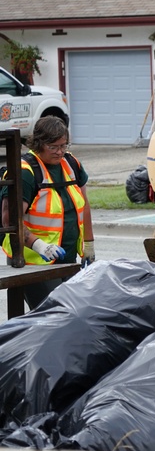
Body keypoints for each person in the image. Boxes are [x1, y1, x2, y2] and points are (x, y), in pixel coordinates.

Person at [1, 115, 96, 309]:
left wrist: (89, 243)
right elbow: (9, 219)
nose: (60, 152)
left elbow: (84, 204)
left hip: (68, 260)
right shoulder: (25, 172)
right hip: (34, 265)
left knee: (75, 315)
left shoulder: (72, 165)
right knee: (51, 319)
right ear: (39, 143)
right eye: (53, 147)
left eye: (64, 145)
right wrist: (39, 246)